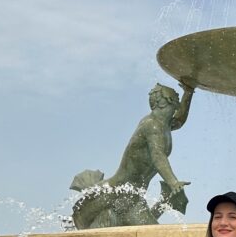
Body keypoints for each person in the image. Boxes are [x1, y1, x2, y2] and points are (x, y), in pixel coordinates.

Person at [70, 81, 195, 227]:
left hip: (133, 197)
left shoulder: (164, 125)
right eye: (176, 96)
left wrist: (188, 93)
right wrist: (172, 182)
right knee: (151, 236)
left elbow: (180, 120)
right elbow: (158, 156)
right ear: (165, 101)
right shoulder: (152, 125)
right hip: (117, 193)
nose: (178, 99)